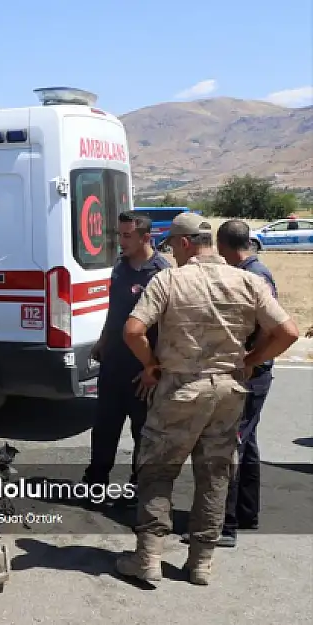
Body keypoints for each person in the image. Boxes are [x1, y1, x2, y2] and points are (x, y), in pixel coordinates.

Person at [116, 213, 299, 587]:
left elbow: (133, 330)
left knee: (157, 472)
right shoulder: (247, 281)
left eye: (174, 247)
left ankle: (148, 559)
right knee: (215, 476)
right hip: (228, 392)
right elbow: (288, 331)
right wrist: (249, 362)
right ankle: (200, 563)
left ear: (184, 244)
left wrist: (151, 364)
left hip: (179, 391)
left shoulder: (168, 280)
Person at [176, 218, 277, 549]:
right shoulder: (258, 270)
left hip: (251, 374)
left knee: (228, 447)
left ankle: (223, 525)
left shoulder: (252, 276)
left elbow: (271, 330)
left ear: (225, 248)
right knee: (247, 444)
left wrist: (248, 361)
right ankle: (247, 513)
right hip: (255, 373)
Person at [83, 211, 171, 506]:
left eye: (126, 236)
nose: (120, 241)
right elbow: (114, 311)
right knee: (105, 426)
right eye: (118, 235)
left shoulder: (161, 272)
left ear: (146, 237)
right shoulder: (120, 267)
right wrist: (104, 340)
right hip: (114, 363)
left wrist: (154, 368)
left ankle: (137, 489)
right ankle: (95, 483)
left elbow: (167, 328)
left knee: (142, 432)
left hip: (142, 369)